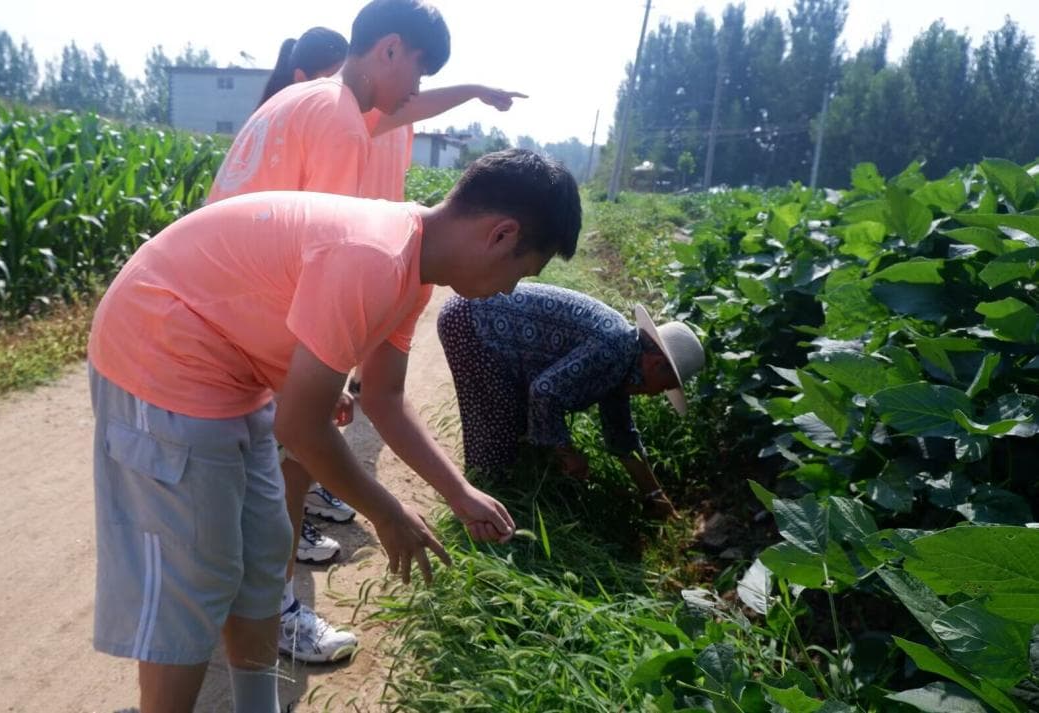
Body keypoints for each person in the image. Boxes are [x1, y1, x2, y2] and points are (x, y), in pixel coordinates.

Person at [88, 148, 582, 713]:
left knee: (265, 553)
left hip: (229, 367)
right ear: (502, 235)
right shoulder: (376, 257)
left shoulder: (413, 270)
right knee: (197, 572)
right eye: (522, 272)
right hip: (160, 349)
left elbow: (384, 397)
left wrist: (458, 493)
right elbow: (302, 427)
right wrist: (388, 514)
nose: (510, 290)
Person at [209, 0, 525, 665]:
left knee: (262, 471)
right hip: (247, 318)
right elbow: (320, 250)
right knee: (295, 456)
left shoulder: (324, 101)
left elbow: (408, 108)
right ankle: (273, 609)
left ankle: (243, 608)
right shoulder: (342, 124)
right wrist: (322, 377)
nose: (415, 91)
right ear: (388, 49)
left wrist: (471, 90)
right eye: (418, 71)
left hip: (223, 301)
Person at [437, 283, 706, 519]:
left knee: (517, 431)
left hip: (477, 315)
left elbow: (622, 435)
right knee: (500, 426)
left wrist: (654, 494)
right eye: (665, 386)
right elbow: (544, 391)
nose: (657, 394)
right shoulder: (613, 348)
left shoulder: (624, 362)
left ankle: (494, 502)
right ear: (656, 364)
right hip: (473, 321)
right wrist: (567, 453)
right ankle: (478, 510)